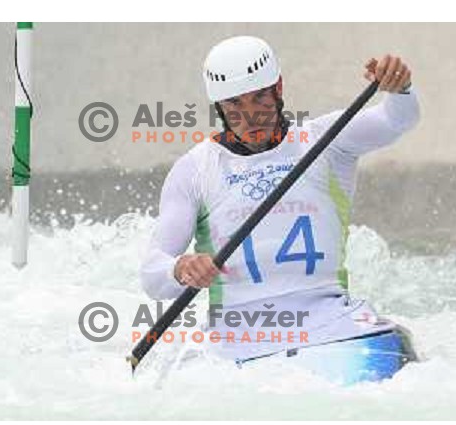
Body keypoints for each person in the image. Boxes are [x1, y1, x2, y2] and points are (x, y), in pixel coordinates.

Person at [141, 35, 420, 384]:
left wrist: (401, 87)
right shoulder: (193, 170)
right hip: (237, 336)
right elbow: (153, 275)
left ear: (279, 88)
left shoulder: (326, 139)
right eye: (234, 104)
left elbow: (397, 120)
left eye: (260, 96)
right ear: (218, 108)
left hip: (330, 321)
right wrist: (180, 269)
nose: (251, 114)